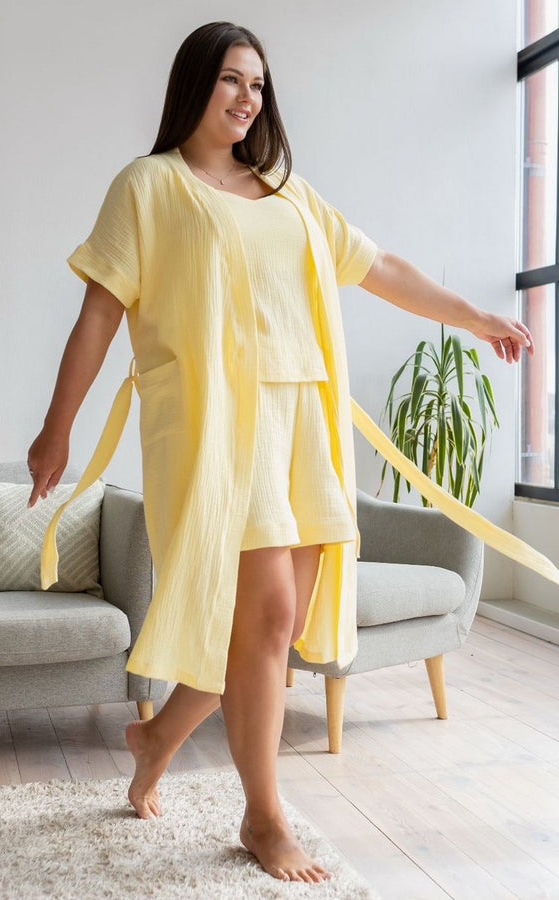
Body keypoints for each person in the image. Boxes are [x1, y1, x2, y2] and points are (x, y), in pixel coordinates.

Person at [27, 21, 534, 884]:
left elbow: (381, 266)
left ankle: (157, 738)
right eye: (231, 79)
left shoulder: (290, 193)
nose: (246, 98)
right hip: (217, 429)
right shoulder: (149, 186)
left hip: (305, 425)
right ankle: (264, 818)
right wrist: (57, 426)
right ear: (195, 84)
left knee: (276, 627)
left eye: (257, 84)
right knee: (263, 620)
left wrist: (476, 316)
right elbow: (99, 313)